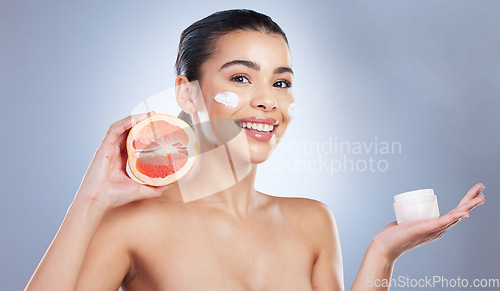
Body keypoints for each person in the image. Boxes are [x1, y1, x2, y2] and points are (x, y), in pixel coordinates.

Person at [26, 9, 485, 291]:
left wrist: (384, 255)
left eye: (281, 82)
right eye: (241, 78)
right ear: (187, 95)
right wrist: (90, 200)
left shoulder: (313, 221)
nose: (269, 100)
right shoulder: (133, 225)